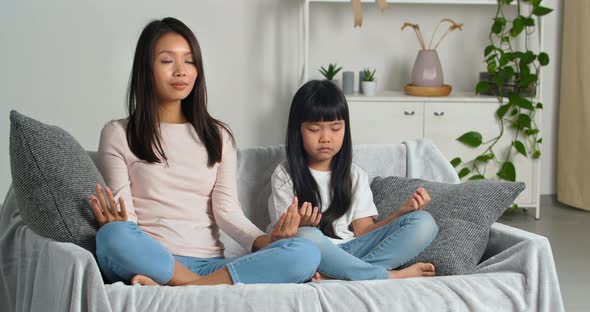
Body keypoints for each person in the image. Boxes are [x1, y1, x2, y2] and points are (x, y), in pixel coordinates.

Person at [88, 17, 320, 286]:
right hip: (156, 259)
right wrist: (119, 226)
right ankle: (196, 284)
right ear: (145, 69)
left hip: (212, 264)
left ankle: (188, 287)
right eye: (166, 61)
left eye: (189, 60)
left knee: (305, 252)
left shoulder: (217, 135)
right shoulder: (118, 133)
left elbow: (226, 210)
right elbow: (124, 212)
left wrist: (266, 242)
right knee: (112, 236)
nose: (181, 71)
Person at [268, 80, 438, 282]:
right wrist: (301, 226)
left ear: (345, 129)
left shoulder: (354, 175)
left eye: (335, 128)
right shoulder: (284, 175)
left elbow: (365, 232)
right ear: (298, 130)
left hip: (354, 250)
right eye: (314, 129)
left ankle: (338, 276)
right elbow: (284, 239)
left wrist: (402, 213)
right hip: (314, 254)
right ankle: (387, 275)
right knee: (305, 236)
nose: (326, 138)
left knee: (424, 222)